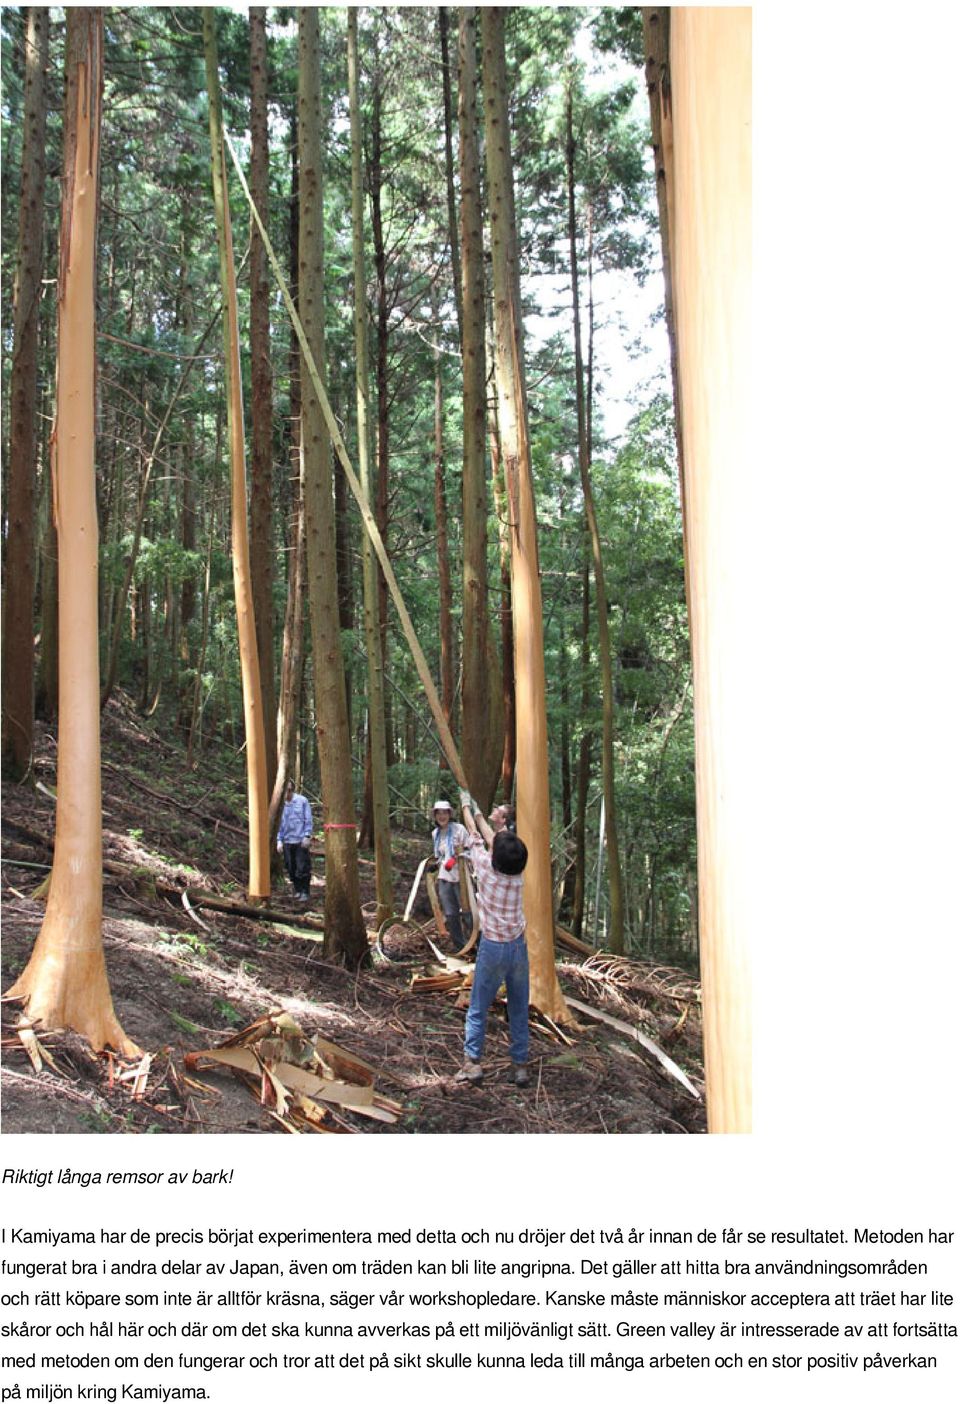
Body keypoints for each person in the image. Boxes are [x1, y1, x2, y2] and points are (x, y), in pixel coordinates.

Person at [455, 788, 530, 1088]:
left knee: (478, 1006)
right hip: (518, 949)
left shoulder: (484, 869)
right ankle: (520, 1065)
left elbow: (476, 834)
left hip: (493, 949)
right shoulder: (518, 874)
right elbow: (489, 837)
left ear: (493, 857)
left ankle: (472, 1063)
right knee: (518, 1007)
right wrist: (476, 809)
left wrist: (465, 806)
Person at [430, 799, 472, 951]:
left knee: (467, 911)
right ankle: (460, 946)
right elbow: (440, 856)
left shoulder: (459, 829)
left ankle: (476, 943)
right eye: (439, 813)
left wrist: (456, 859)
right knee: (451, 913)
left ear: (449, 814)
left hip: (461, 876)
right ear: (435, 816)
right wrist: (436, 865)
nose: (442, 816)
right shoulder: (435, 834)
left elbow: (470, 849)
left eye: (444, 813)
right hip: (444, 877)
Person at [276, 779, 313, 902]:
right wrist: (279, 840)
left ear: (292, 790)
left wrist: (307, 836)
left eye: (289, 791)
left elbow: (307, 819)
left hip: (300, 840)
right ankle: (297, 889)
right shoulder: (280, 804)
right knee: (290, 867)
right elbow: (279, 824)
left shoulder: (302, 801)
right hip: (287, 840)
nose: (287, 794)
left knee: (302, 867)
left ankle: (305, 891)